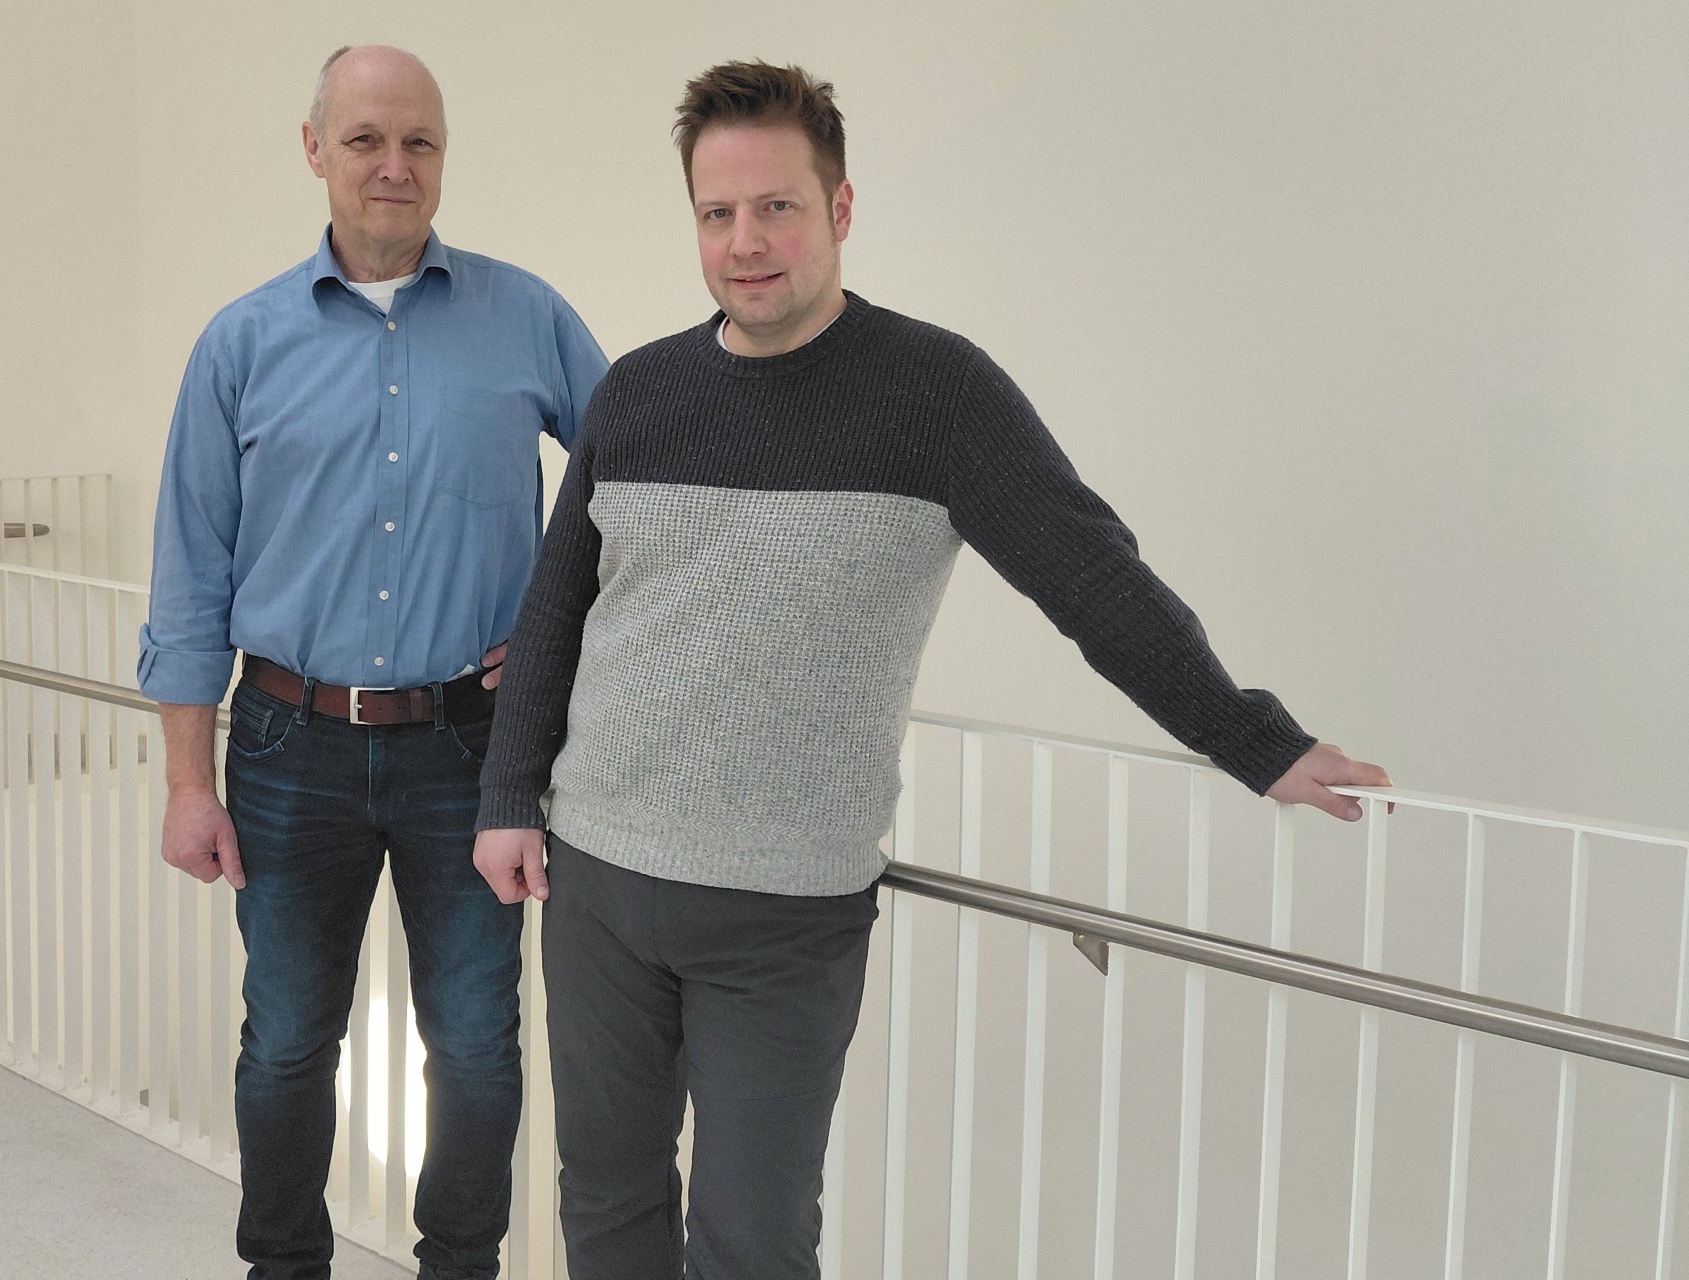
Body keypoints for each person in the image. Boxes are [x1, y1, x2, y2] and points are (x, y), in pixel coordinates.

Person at [471, 60, 1390, 1279]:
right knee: (605, 1202)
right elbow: (557, 609)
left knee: (752, 1237)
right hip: (597, 881)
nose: (745, 243)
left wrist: (1253, 738)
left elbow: (1091, 578)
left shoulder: (937, 394)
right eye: (717, 212)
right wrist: (507, 794)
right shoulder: (638, 392)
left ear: (840, 208)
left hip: (783, 910)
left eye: (778, 207)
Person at [138, 44, 607, 1280]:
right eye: (364, 140)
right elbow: (189, 575)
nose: (394, 165)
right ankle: (284, 1264)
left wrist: (564, 642)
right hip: (287, 743)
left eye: (419, 142)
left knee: (478, 1044)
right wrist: (188, 782)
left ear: (444, 157)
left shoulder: (529, 318)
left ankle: (461, 1264)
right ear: (315, 151)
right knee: (289, 1040)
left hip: (474, 749)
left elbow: (641, 489)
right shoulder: (240, 343)